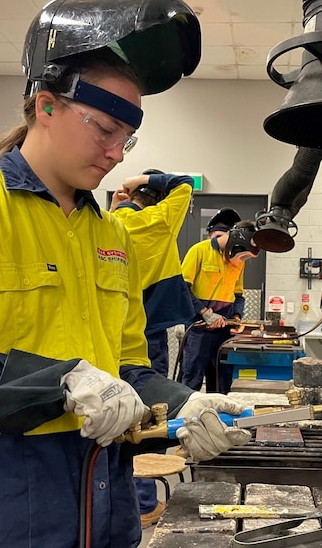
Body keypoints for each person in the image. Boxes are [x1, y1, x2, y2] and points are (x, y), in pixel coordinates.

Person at [0, 0, 250, 548]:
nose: (118, 153)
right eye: (104, 129)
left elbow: (126, 369)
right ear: (45, 105)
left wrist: (185, 404)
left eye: (128, 138)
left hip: (97, 510)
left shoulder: (111, 236)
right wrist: (59, 382)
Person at [110, 169, 197, 527]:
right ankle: (145, 503)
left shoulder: (109, 223)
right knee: (154, 415)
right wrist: (142, 177)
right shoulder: (160, 220)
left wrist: (120, 200)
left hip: (111, 333)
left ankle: (122, 501)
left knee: (115, 416)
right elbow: (184, 184)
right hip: (148, 334)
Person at [181, 216, 259, 393]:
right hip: (199, 328)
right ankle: (186, 419)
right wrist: (204, 312)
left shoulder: (238, 262)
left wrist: (237, 317)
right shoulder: (199, 251)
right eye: (243, 256)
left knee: (221, 381)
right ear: (235, 246)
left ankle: (217, 417)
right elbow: (182, 288)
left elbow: (238, 294)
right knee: (192, 379)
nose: (242, 261)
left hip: (224, 329)